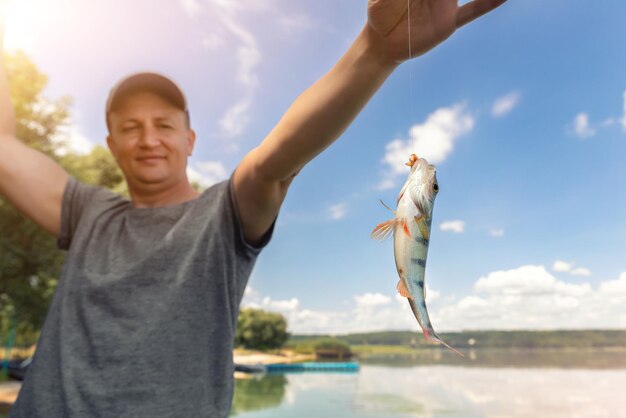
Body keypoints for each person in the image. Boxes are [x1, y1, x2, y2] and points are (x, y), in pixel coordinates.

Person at [0, 0, 507, 416]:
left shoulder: (222, 214)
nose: (148, 139)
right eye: (130, 128)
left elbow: (275, 161)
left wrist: (374, 53)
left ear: (190, 139)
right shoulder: (89, 212)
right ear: (111, 144)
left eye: (164, 124)